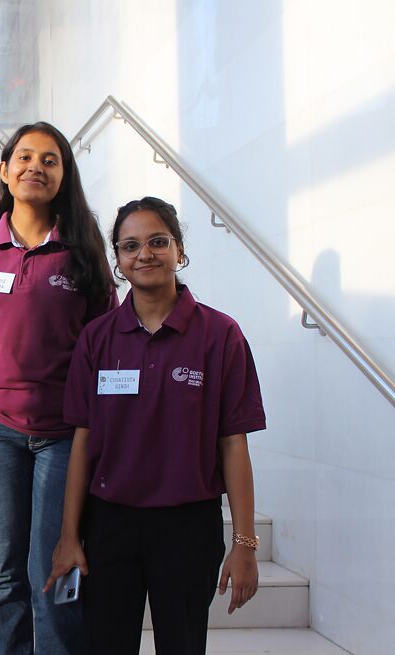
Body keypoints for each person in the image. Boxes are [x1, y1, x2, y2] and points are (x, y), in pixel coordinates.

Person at [44, 197, 266, 655]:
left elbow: (234, 444)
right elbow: (83, 441)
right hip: (109, 522)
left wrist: (244, 543)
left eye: (158, 241)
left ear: (179, 250)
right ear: (118, 262)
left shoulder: (220, 335)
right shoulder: (97, 338)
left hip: (188, 526)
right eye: (130, 246)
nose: (145, 253)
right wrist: (69, 535)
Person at [0, 121, 118, 655]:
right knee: (2, 573)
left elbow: (103, 346)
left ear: (64, 175)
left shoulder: (83, 250)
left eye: (50, 160)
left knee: (55, 567)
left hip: (64, 435)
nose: (35, 168)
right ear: (4, 170)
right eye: (24, 157)